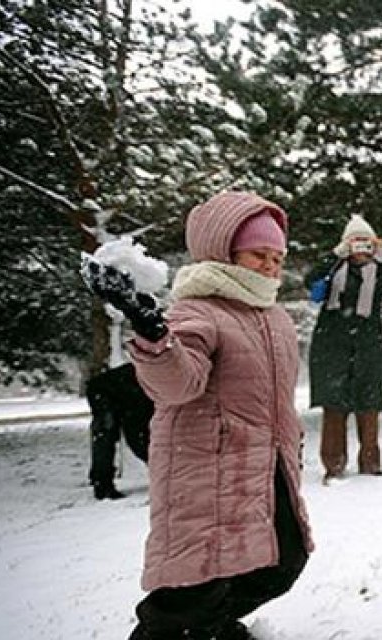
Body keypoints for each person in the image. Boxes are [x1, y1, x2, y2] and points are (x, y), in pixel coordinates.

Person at [83, 191, 315, 640]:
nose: (270, 266)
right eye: (258, 255)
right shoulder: (198, 310)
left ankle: (210, 628)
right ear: (224, 253)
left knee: (283, 561)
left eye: (277, 257)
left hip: (267, 467)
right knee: (194, 583)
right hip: (206, 468)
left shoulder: (276, 319)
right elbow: (176, 384)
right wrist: (153, 334)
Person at [305, 215, 382, 481]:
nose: (361, 251)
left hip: (367, 345)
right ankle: (333, 465)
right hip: (331, 345)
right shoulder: (334, 267)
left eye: (367, 244)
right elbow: (310, 283)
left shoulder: (380, 271)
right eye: (355, 244)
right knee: (334, 406)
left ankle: (370, 462)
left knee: (369, 404)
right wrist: (333, 256)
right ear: (347, 245)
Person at [83, 362, 152, 500]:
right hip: (106, 391)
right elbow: (137, 438)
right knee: (106, 434)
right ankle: (102, 485)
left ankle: (99, 478)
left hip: (117, 390)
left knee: (107, 436)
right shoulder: (149, 395)